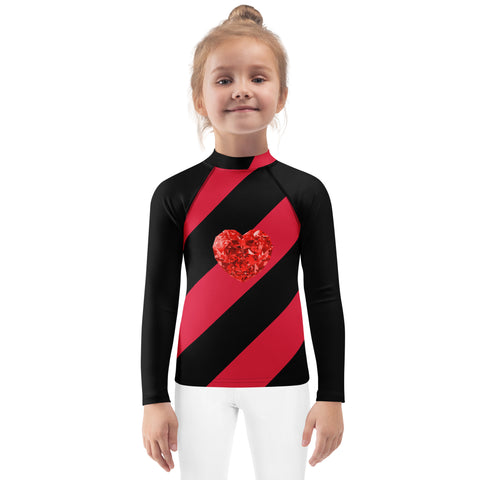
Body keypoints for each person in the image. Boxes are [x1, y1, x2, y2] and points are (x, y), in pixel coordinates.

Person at [141, 5, 345, 479]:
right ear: (199, 99)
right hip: (198, 380)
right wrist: (153, 398)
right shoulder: (176, 194)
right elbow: (159, 298)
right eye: (223, 79)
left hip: (283, 379)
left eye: (257, 77)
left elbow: (324, 295)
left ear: (282, 94)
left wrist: (332, 394)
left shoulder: (305, 192)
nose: (241, 89)